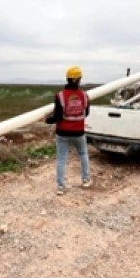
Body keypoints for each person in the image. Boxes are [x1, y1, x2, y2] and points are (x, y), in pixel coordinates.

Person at [46, 65, 92, 195]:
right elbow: (86, 113)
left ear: (67, 79)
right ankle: (86, 180)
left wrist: (48, 120)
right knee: (83, 154)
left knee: (61, 159)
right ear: (79, 80)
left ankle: (61, 187)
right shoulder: (84, 96)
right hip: (79, 132)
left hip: (63, 133)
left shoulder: (60, 96)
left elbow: (58, 116)